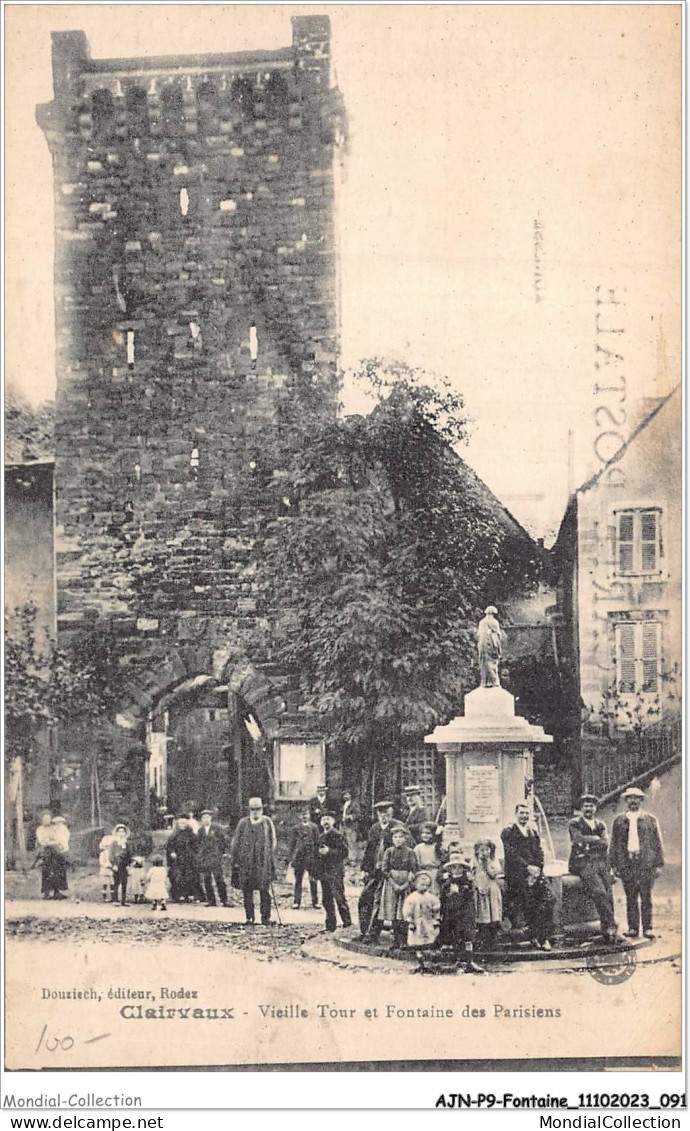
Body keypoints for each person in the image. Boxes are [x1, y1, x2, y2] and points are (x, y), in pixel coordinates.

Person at [609, 786, 664, 940]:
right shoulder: (619, 820)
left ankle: (647, 928)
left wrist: (658, 864)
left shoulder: (650, 819)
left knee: (646, 896)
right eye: (630, 798)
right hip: (627, 863)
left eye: (636, 798)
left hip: (645, 863)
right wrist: (613, 865)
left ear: (641, 800)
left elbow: (657, 842)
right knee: (631, 897)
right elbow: (614, 844)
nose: (633, 801)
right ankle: (633, 928)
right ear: (626, 801)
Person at [501, 803, 554, 950]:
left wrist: (537, 869)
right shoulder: (508, 832)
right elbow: (511, 855)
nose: (524, 816)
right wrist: (527, 868)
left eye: (526, 813)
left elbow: (539, 852)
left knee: (549, 899)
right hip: (518, 874)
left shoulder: (533, 832)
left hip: (535, 874)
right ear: (516, 814)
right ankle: (536, 937)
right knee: (529, 901)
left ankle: (543, 936)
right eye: (521, 813)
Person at [568, 795, 618, 942]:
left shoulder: (600, 824)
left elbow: (605, 843)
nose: (588, 809)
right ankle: (611, 925)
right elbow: (577, 840)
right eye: (586, 806)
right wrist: (596, 840)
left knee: (608, 891)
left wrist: (590, 842)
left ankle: (607, 929)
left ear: (595, 808)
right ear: (581, 808)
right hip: (581, 862)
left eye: (591, 806)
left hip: (599, 862)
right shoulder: (574, 823)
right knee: (599, 891)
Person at [230, 797, 277, 926]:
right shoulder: (243, 823)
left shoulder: (267, 822)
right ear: (249, 810)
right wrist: (237, 859)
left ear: (262, 809)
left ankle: (265, 917)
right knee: (247, 891)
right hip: (247, 863)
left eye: (258, 809)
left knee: (265, 892)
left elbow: (273, 841)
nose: (255, 812)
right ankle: (250, 917)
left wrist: (268, 857)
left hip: (262, 863)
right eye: (253, 810)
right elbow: (236, 842)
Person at [439, 845, 483, 972]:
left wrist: (459, 891)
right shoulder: (447, 883)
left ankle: (469, 961)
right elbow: (443, 897)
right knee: (455, 936)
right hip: (452, 913)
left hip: (465, 913)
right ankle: (458, 960)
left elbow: (470, 896)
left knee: (468, 937)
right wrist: (449, 894)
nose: (457, 870)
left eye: (459, 867)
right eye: (454, 867)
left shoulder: (467, 882)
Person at [358, 800, 396, 940]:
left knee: (378, 903)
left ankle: (372, 934)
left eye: (386, 814)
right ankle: (363, 931)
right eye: (381, 814)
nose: (383, 817)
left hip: (389, 874)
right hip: (374, 871)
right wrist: (364, 869)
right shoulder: (374, 829)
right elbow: (369, 851)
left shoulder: (397, 828)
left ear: (391, 814)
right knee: (364, 898)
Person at [378, 826, 417, 948]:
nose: (398, 839)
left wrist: (406, 885)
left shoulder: (410, 852)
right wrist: (394, 884)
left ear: (405, 838)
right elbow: (384, 870)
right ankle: (395, 941)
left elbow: (413, 869)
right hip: (391, 884)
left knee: (403, 912)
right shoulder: (389, 851)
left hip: (406, 883)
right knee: (393, 913)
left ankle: (404, 941)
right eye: (395, 837)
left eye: (401, 837)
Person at [318, 812, 352, 932]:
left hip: (335, 872)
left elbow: (344, 852)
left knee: (339, 898)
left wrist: (329, 852)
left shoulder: (338, 835)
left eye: (328, 819)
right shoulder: (321, 836)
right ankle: (330, 925)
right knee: (326, 899)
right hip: (324, 873)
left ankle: (347, 923)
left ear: (333, 821)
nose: (326, 821)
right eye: (323, 819)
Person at [403, 871, 441, 971]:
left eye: (426, 885)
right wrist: (410, 921)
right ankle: (419, 962)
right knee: (417, 942)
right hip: (417, 923)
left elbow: (436, 907)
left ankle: (428, 963)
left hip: (427, 922)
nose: (424, 887)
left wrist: (436, 918)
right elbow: (407, 911)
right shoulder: (412, 898)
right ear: (416, 885)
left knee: (428, 941)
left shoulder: (431, 897)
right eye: (422, 885)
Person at [473, 839, 503, 950]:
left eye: (487, 849)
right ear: (477, 851)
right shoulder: (475, 862)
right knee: (482, 915)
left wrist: (487, 864)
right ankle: (482, 939)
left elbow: (492, 875)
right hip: (480, 889)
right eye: (482, 850)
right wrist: (477, 886)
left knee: (493, 913)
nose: (484, 852)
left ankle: (493, 939)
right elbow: (472, 876)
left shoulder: (493, 861)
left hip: (491, 889)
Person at [288, 810, 321, 910]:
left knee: (313, 880)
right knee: (298, 881)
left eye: (306, 814)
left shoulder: (314, 827)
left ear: (309, 815)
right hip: (299, 858)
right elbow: (292, 844)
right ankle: (296, 902)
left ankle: (315, 902)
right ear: (299, 816)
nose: (305, 816)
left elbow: (317, 842)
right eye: (303, 815)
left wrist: (317, 857)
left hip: (311, 858)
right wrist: (291, 858)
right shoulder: (296, 828)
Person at [197, 810, 229, 907]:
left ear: (211, 818)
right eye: (204, 818)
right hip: (205, 858)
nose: (206, 819)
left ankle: (224, 900)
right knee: (207, 879)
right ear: (201, 819)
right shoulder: (200, 830)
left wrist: (221, 853)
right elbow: (198, 844)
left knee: (219, 879)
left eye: (207, 817)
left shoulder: (217, 828)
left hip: (215, 857)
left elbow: (223, 842)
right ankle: (211, 901)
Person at [166, 815, 200, 903]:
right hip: (177, 860)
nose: (182, 825)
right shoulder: (174, 835)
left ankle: (190, 895)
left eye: (184, 823)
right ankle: (178, 895)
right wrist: (172, 853)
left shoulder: (191, 834)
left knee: (190, 876)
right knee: (177, 876)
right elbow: (169, 846)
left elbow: (196, 846)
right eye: (181, 823)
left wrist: (193, 855)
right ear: (178, 824)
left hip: (189, 859)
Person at [478, 605, 503, 688]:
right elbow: (498, 635)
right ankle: (493, 681)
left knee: (486, 664)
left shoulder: (482, 622)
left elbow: (479, 635)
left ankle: (485, 682)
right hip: (491, 647)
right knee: (491, 664)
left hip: (483, 647)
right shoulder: (494, 622)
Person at [414, 822, 442, 894]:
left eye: (428, 833)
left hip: (435, 874)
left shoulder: (436, 847)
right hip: (422, 873)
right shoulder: (418, 848)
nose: (425, 835)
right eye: (423, 833)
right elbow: (416, 863)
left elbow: (441, 860)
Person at [34, 812, 56, 899]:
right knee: (46, 871)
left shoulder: (53, 828)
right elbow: (42, 841)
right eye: (45, 819)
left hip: (54, 849)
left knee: (56, 870)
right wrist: (48, 840)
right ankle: (46, 892)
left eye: (48, 819)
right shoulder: (40, 829)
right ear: (42, 820)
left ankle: (56, 891)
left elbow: (56, 838)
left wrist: (51, 840)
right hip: (45, 851)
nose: (47, 821)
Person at [109, 824, 132, 906]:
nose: (121, 833)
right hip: (116, 865)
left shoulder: (127, 843)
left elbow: (129, 854)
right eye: (119, 831)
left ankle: (123, 900)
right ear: (117, 833)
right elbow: (111, 855)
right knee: (116, 882)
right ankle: (115, 900)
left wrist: (128, 864)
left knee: (124, 883)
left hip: (124, 865)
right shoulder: (114, 843)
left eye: (123, 831)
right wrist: (114, 864)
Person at [340, 791, 360, 860]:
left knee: (351, 842)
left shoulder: (354, 804)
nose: (346, 796)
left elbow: (358, 814)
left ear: (350, 795)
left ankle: (352, 859)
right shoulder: (342, 804)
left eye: (347, 794)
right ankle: (346, 858)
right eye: (344, 795)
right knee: (343, 842)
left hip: (351, 826)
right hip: (342, 825)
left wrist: (350, 817)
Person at [98, 829, 116, 902]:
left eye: (109, 846)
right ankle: (104, 897)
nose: (108, 847)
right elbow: (101, 862)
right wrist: (107, 865)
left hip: (111, 871)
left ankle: (112, 897)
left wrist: (113, 866)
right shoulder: (103, 854)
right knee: (105, 884)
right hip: (105, 870)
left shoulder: (113, 854)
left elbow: (114, 860)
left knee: (112, 884)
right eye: (107, 846)